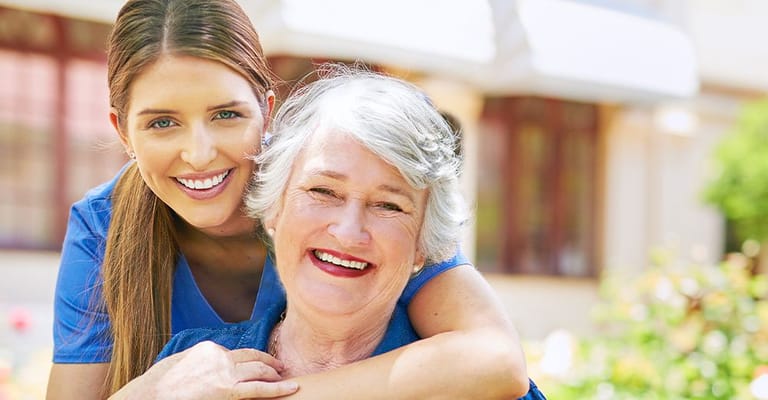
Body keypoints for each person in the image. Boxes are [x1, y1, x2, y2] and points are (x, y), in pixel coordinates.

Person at [48, 0, 529, 398]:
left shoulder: (339, 183)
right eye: (162, 122)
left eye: (226, 114)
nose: (199, 154)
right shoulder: (102, 226)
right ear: (123, 132)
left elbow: (495, 359)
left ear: (266, 109)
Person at [155, 65, 545, 399]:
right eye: (323, 191)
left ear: (423, 246)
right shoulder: (187, 372)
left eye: (388, 205)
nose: (348, 232)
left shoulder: (485, 391)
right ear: (274, 209)